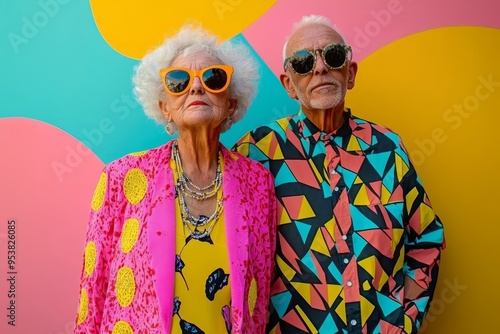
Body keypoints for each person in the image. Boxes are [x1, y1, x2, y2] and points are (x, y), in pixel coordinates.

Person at [234, 15, 445, 334]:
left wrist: (405, 320)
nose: (319, 68)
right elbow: (229, 248)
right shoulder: (257, 151)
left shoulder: (387, 148)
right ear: (289, 84)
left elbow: (426, 237)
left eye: (332, 56)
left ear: (350, 73)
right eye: (303, 62)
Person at [74, 24, 276, 334]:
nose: (196, 88)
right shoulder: (122, 177)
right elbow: (93, 289)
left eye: (212, 78)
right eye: (178, 81)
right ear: (165, 107)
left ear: (231, 103)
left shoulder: (257, 183)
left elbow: (259, 298)